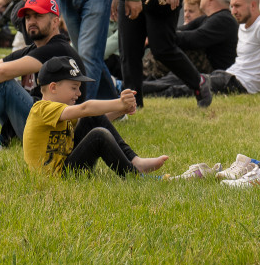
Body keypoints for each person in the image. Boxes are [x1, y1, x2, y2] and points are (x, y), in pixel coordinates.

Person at [0, 0, 144, 154]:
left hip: (51, 129)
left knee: (2, 81)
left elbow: (2, 72)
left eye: (38, 16)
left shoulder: (57, 49)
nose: (31, 21)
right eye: (28, 17)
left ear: (55, 21)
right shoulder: (33, 49)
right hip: (36, 121)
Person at [24, 56, 168, 176]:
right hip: (58, 175)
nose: (79, 93)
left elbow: (95, 119)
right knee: (99, 135)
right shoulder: (42, 109)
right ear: (53, 87)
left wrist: (120, 111)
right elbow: (85, 108)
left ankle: (134, 160)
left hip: (66, 167)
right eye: (74, 88)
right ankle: (135, 176)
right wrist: (119, 103)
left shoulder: (60, 112)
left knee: (91, 118)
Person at [147, 0, 260, 98]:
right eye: (232, 6)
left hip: (237, 83)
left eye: (237, 6)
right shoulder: (244, 26)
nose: (234, 11)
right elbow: (257, 64)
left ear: (253, 5)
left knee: (182, 90)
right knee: (181, 79)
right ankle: (136, 87)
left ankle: (141, 91)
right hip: (227, 75)